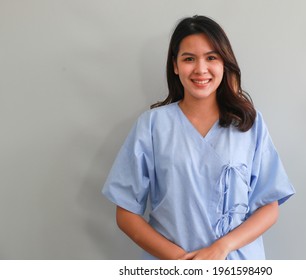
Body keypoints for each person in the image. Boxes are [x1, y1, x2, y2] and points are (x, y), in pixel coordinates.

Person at [102, 15, 295, 260]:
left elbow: (269, 206)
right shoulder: (152, 126)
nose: (200, 69)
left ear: (224, 63)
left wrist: (222, 247)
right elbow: (126, 213)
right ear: (175, 65)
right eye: (189, 59)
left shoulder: (249, 124)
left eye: (211, 58)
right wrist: (180, 260)